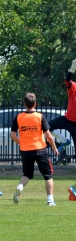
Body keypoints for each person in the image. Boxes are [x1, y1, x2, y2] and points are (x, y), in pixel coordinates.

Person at [10, 93, 59, 206]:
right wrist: (54, 147)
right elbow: (49, 136)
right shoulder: (40, 116)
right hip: (40, 149)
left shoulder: (18, 117)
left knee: (27, 174)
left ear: (24, 104)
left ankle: (20, 186)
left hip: (25, 150)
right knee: (48, 175)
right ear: (35, 104)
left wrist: (22, 143)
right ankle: (50, 200)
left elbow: (12, 135)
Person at [47, 59, 76, 201]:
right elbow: (67, 81)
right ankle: (63, 141)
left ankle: (75, 189)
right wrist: (71, 71)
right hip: (66, 120)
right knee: (45, 126)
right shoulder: (73, 87)